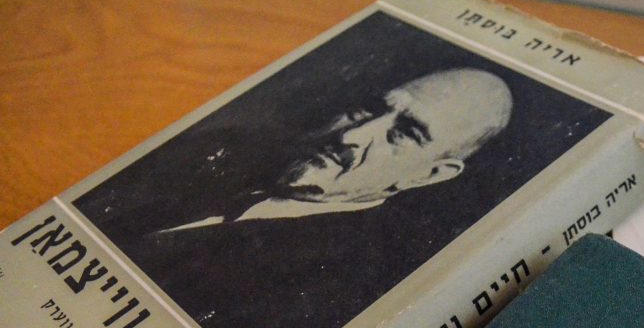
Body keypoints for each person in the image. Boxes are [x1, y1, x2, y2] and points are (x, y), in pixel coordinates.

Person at [161, 68, 514, 231]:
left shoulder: (341, 278)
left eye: (405, 134)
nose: (350, 137)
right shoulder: (216, 148)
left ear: (430, 174)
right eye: (370, 109)